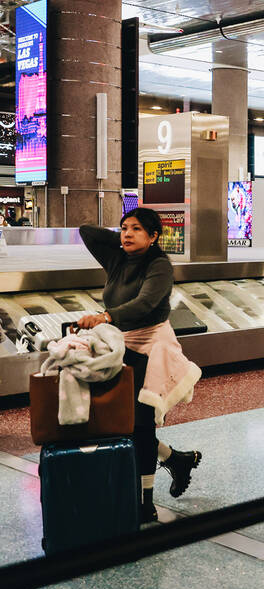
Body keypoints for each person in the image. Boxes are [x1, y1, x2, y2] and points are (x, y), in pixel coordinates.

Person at [78, 209, 203, 524]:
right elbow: (86, 231)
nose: (127, 234)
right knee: (124, 422)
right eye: (123, 229)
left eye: (136, 229)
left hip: (151, 348)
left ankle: (145, 502)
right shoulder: (118, 260)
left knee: (141, 425)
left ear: (154, 236)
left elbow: (146, 303)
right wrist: (126, 237)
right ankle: (176, 459)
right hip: (123, 345)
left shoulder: (159, 265)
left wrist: (106, 316)